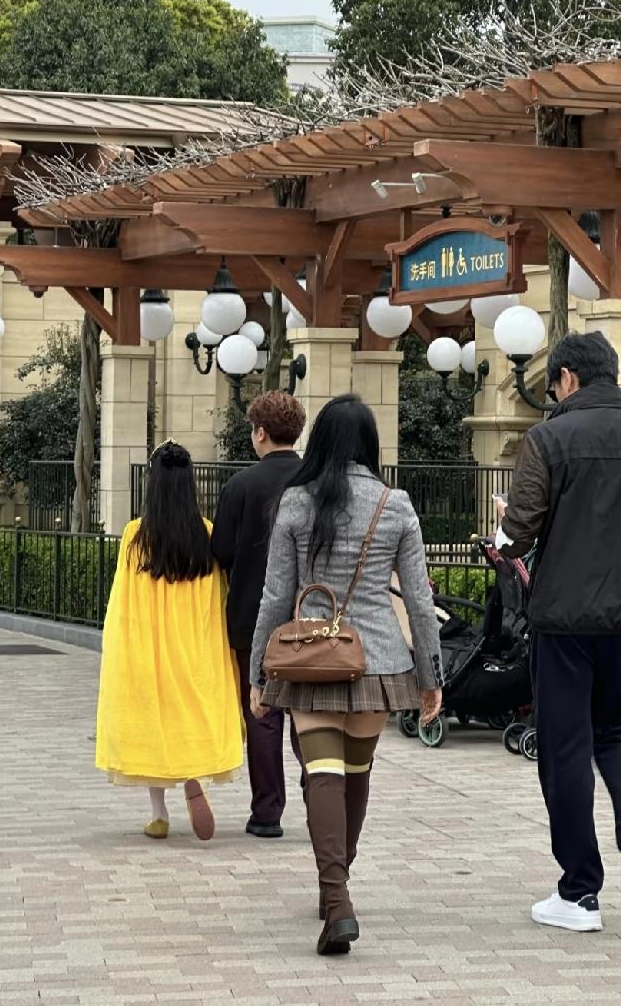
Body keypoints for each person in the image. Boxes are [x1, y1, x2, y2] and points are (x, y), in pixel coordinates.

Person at [495, 331, 621, 933]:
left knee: (564, 749)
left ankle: (579, 891)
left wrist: (504, 531)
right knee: (613, 728)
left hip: (562, 622)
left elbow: (518, 535)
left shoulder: (548, 439)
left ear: (567, 378)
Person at [249, 394, 443, 957]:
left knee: (322, 775)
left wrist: (259, 671)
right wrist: (431, 674)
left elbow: (275, 595)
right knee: (354, 774)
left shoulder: (296, 502)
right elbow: (420, 600)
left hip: (311, 660)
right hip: (377, 661)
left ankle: (336, 900)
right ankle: (338, 885)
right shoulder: (394, 504)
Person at [95, 439, 242, 841]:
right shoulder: (206, 534)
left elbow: (123, 602)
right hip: (192, 646)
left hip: (149, 648)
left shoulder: (135, 536)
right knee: (187, 716)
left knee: (152, 722)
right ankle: (192, 778)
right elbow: (215, 599)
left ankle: (159, 814)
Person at [211, 391, 306, 839]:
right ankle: (320, 795)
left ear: (261, 432)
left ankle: (267, 813)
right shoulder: (316, 480)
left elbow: (221, 551)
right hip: (309, 616)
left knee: (262, 712)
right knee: (309, 712)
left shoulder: (241, 486)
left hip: (251, 616)